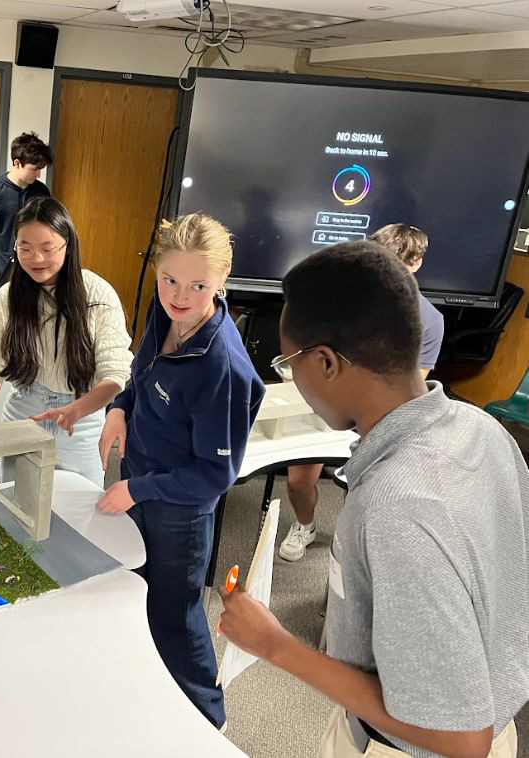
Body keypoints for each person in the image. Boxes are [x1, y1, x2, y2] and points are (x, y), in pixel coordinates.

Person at [220, 241, 526, 758]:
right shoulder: (483, 429)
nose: (290, 375)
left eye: (288, 361)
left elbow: (459, 737)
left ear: (326, 363)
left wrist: (274, 644)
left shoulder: (396, 506)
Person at [96, 213, 265, 729]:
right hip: (140, 483)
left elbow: (215, 477)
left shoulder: (223, 367)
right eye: (170, 279)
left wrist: (135, 488)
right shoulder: (163, 309)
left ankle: (208, 721)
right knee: (136, 591)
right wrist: (121, 405)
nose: (181, 295)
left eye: (198, 285)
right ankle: (149, 691)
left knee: (175, 614)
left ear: (221, 284)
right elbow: (142, 370)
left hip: (179, 508)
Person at [278, 223, 444, 563]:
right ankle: (306, 526)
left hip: (374, 425)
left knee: (360, 508)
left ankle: (348, 548)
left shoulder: (391, 504)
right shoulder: (483, 433)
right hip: (342, 413)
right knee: (299, 481)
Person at [0, 196, 132, 487]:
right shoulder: (6, 298)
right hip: (24, 411)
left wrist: (75, 410)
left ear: (68, 245)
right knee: (18, 508)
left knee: (81, 506)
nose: (36, 258)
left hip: (82, 415)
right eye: (25, 248)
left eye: (47, 248)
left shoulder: (97, 293)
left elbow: (115, 374)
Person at [0, 132, 52, 280]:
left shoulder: (41, 192)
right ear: (17, 163)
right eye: (34, 169)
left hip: (32, 272)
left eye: (40, 169)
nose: (38, 175)